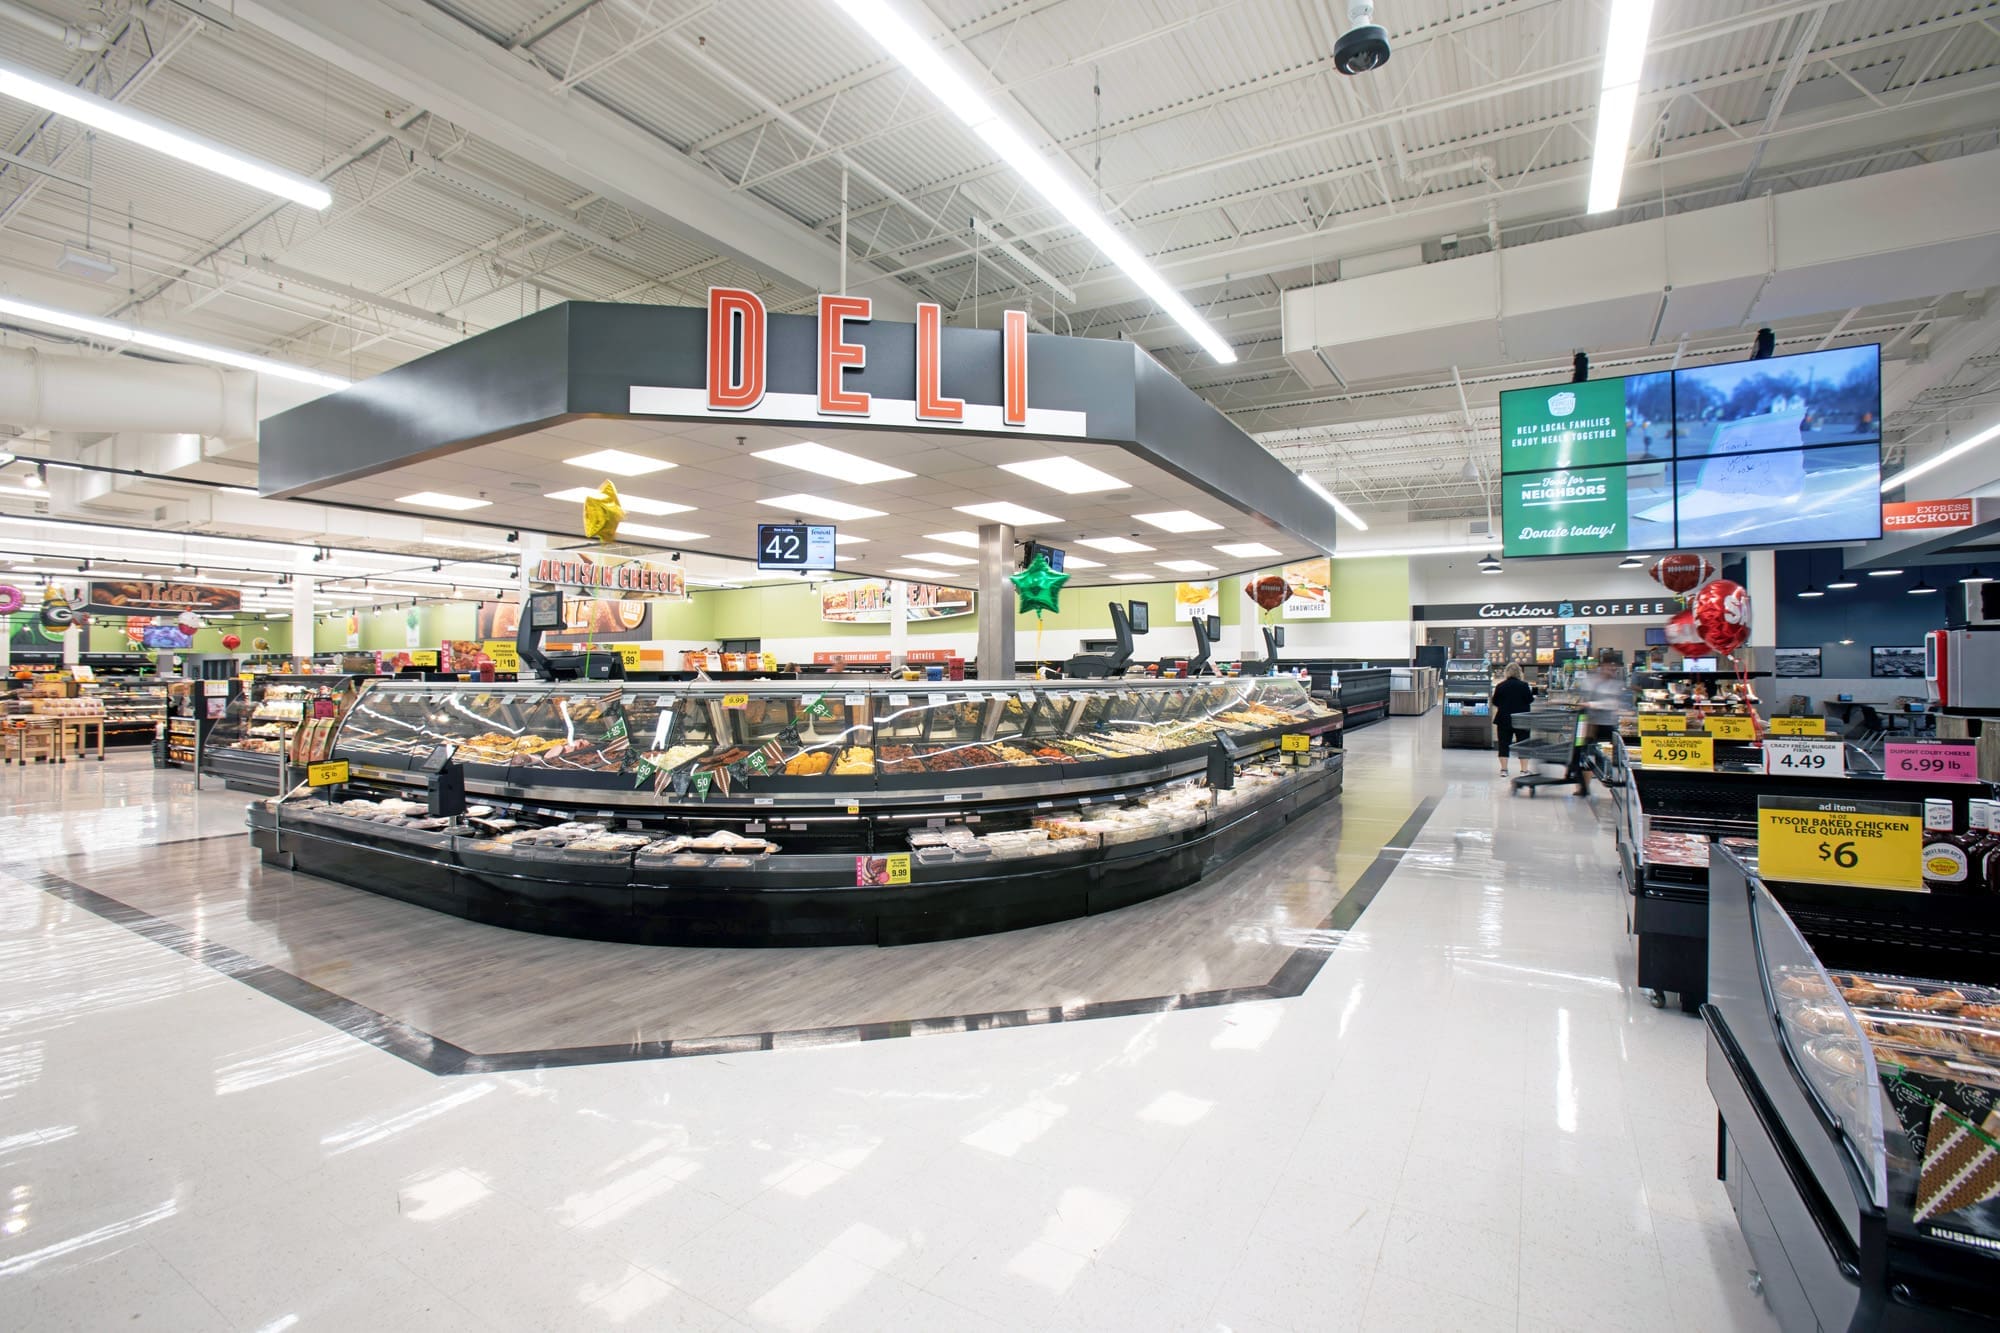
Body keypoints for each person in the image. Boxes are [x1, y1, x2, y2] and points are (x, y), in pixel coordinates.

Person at [1491, 663, 1534, 776]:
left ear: (1507, 672)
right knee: (1523, 743)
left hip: (1504, 718)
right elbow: (1530, 700)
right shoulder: (1524, 686)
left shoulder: (1500, 686)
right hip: (1522, 719)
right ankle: (1524, 770)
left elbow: (1495, 701)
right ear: (1520, 673)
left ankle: (1504, 770)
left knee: (1504, 744)